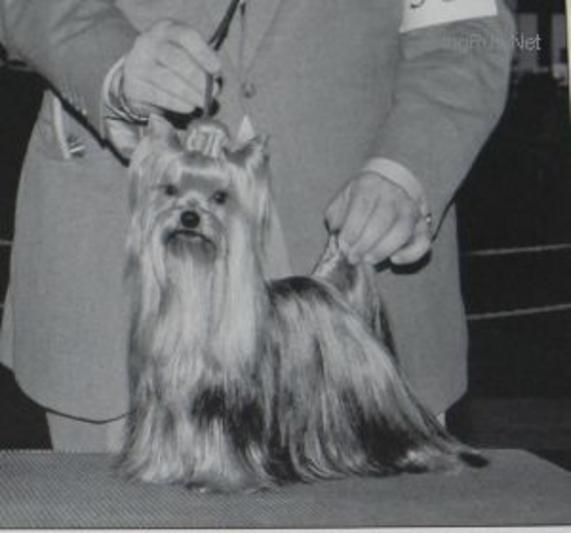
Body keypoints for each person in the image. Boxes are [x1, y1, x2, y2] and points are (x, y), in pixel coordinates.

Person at [0, 1, 514, 451]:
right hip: (114, 263)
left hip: (359, 279)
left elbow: (466, 32)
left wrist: (405, 169)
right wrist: (110, 68)